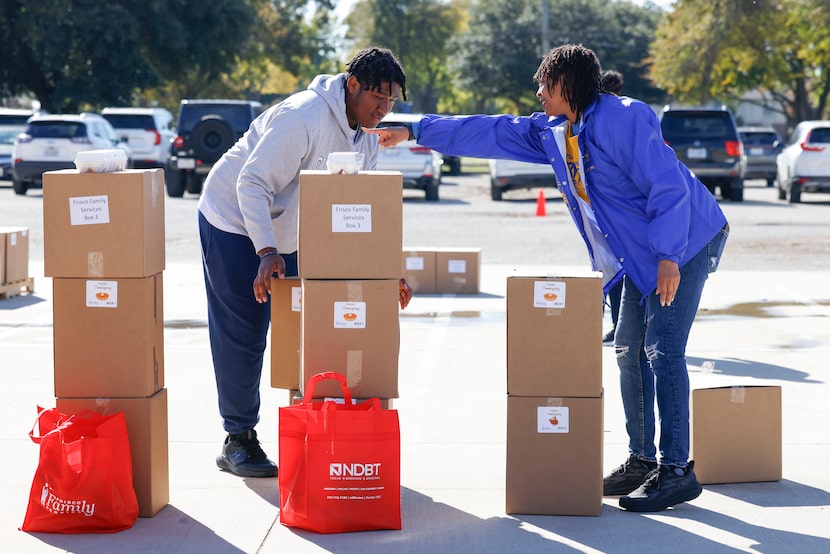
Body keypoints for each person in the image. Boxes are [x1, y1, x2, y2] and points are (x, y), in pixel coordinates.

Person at [367, 44, 728, 512]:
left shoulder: (626, 118)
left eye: (545, 83)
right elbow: (491, 131)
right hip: (641, 256)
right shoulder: (558, 131)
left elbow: (668, 186)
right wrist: (414, 128)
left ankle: (677, 470)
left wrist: (668, 256)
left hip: (685, 242)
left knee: (662, 347)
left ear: (568, 83)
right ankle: (642, 460)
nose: (538, 92)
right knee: (627, 349)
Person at [198, 46, 413, 478]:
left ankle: (317, 428)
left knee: (312, 330)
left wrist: (388, 270)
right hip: (236, 223)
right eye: (377, 98)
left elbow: (358, 208)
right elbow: (252, 182)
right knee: (245, 333)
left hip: (290, 233)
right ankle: (237, 439)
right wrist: (266, 251)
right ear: (352, 85)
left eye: (391, 100)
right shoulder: (303, 116)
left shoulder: (366, 134)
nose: (384, 109)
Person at [599, 69, 623, 344]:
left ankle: (620, 325)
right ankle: (620, 325)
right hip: (610, 212)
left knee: (615, 273)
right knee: (616, 273)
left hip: (612, 214)